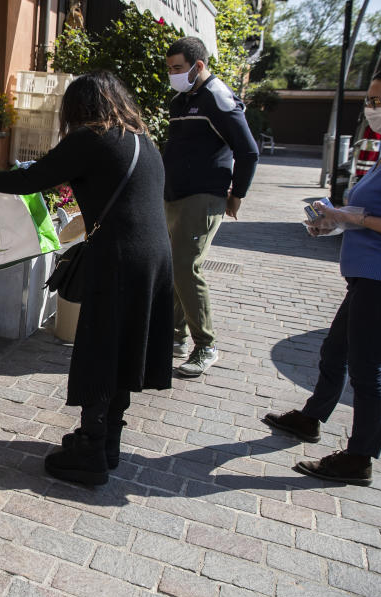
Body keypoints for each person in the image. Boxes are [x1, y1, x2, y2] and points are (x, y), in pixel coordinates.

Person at [0, 71, 173, 486]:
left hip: (119, 258)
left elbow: (30, 180)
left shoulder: (91, 138)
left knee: (99, 346)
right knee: (124, 347)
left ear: (79, 108)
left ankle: (91, 452)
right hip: (154, 257)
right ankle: (109, 441)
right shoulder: (142, 139)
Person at [264, 61, 381, 486]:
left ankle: (359, 457)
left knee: (368, 370)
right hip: (368, 275)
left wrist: (353, 217)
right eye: (368, 100)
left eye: (377, 100)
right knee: (335, 351)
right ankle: (312, 418)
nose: (370, 108)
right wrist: (335, 220)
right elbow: (372, 213)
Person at [163, 36, 259, 377]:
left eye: (178, 68)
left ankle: (207, 345)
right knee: (174, 266)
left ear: (198, 66)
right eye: (170, 68)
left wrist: (238, 193)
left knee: (186, 266)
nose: (172, 74)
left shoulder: (218, 98)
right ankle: (175, 337)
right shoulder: (180, 100)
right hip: (174, 194)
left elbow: (248, 151)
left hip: (204, 195)